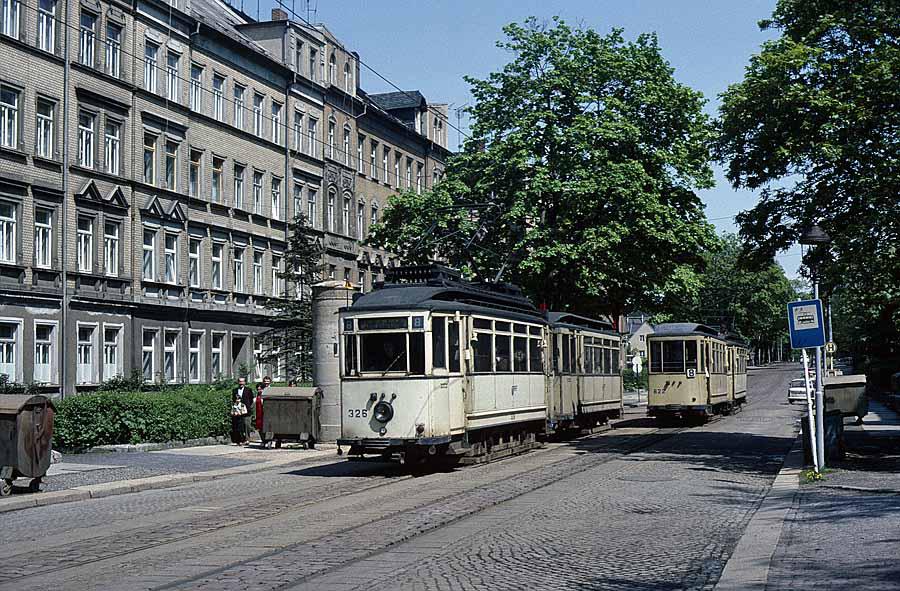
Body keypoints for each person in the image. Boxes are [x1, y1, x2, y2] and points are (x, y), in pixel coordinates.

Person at [231, 377, 253, 445]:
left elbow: (251, 399)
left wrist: (247, 407)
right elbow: (233, 399)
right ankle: (240, 440)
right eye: (240, 381)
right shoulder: (235, 390)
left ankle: (247, 439)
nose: (241, 383)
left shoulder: (248, 390)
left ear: (245, 382)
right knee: (239, 426)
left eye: (242, 381)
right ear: (238, 382)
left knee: (247, 425)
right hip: (238, 411)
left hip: (246, 411)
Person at [254, 383, 268, 448]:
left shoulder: (266, 395)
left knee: (265, 428)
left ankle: (267, 441)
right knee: (259, 428)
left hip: (265, 414)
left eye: (260, 389)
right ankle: (263, 440)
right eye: (258, 389)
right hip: (258, 414)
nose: (259, 390)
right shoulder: (257, 396)